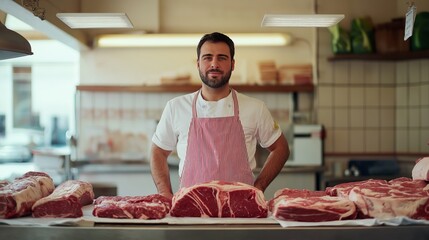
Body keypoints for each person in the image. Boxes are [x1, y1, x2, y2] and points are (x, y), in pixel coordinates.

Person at [150, 32, 290, 199]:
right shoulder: (176, 107)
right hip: (191, 212)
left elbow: (281, 148)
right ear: (198, 64)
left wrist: (259, 186)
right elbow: (158, 151)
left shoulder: (255, 108)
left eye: (222, 58)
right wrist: (164, 192)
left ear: (232, 64)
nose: (214, 64)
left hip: (241, 212)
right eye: (207, 57)